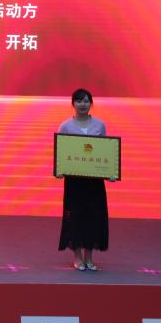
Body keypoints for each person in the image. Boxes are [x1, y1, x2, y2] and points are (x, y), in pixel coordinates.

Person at [57, 88, 110, 271]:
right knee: (76, 217)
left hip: (95, 182)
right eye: (79, 101)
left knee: (94, 216)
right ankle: (77, 257)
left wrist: (109, 172)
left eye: (86, 101)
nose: (82, 104)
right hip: (74, 181)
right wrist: (59, 170)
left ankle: (89, 257)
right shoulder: (65, 126)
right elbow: (61, 152)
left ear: (91, 104)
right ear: (73, 104)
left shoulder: (100, 125)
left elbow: (105, 151)